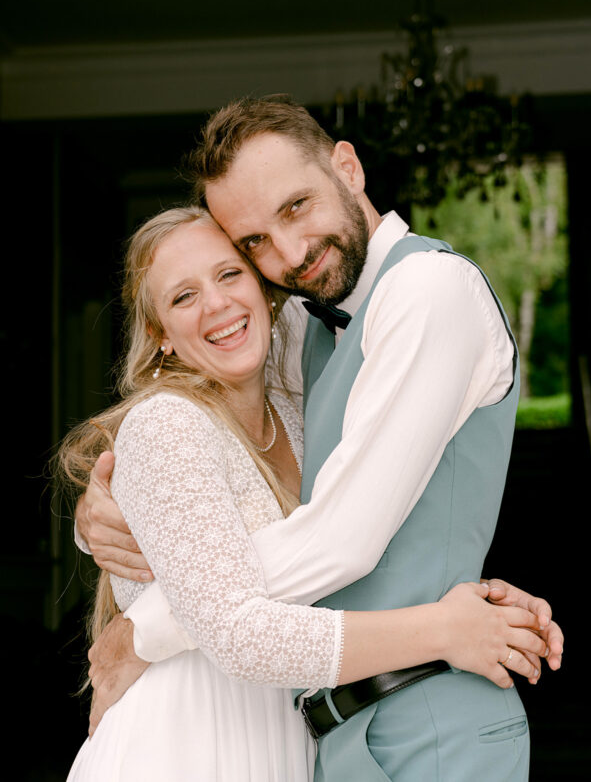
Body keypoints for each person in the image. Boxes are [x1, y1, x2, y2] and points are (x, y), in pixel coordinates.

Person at [77, 97, 563, 781]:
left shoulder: (428, 289)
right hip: (325, 734)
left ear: (348, 167)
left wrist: (151, 629)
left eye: (296, 206)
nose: (289, 253)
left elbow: (343, 539)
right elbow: (188, 449)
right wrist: (103, 516)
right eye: (253, 244)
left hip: (430, 717)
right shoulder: (305, 327)